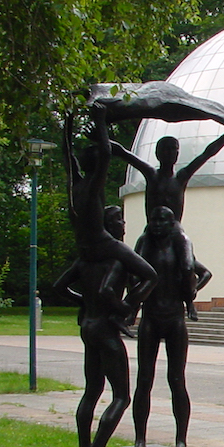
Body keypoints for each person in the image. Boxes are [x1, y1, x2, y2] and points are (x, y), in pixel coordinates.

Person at [111, 120, 224, 320]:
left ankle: (189, 302)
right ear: (157, 153)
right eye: (165, 149)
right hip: (151, 231)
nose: (169, 153)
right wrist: (103, 138)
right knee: (134, 267)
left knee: (187, 266)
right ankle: (135, 306)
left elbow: (208, 153)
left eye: (173, 149)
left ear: (177, 154)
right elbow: (123, 153)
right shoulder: (151, 174)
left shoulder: (181, 177)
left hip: (175, 231)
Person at [53, 206, 137, 447]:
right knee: (122, 396)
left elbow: (59, 286)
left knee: (92, 390)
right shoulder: (116, 259)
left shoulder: (86, 260)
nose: (123, 223)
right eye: (118, 220)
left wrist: (83, 302)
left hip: (88, 327)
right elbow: (108, 291)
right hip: (105, 329)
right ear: (108, 227)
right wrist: (123, 310)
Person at [64, 103, 157, 321]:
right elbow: (106, 153)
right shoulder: (93, 186)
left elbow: (67, 154)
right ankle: (125, 309)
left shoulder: (75, 185)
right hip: (102, 244)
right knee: (151, 275)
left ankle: (89, 304)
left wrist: (68, 122)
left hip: (85, 247)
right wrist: (100, 120)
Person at [130, 206, 206, 447]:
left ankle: (181, 440)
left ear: (172, 223)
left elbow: (194, 270)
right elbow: (134, 272)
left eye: (163, 221)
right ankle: (139, 439)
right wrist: (132, 304)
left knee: (176, 379)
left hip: (174, 317)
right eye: (153, 220)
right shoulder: (145, 243)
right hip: (151, 317)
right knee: (144, 379)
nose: (157, 225)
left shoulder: (181, 243)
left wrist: (190, 297)